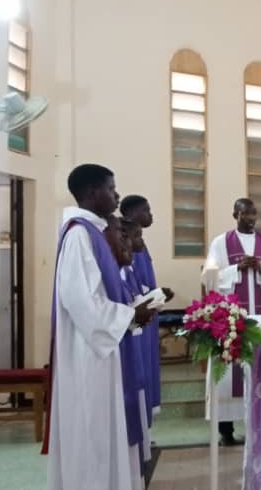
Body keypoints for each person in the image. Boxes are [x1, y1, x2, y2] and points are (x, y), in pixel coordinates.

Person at [46, 164, 156, 490]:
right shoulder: (79, 234)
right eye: (111, 188)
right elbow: (81, 300)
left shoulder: (94, 231)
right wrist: (130, 317)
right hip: (87, 355)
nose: (116, 195)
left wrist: (128, 313)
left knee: (104, 429)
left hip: (101, 347)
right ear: (93, 192)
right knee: (91, 429)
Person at [201, 198, 261, 445]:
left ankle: (260, 425)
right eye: (245, 214)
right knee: (228, 373)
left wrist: (260, 268)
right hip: (230, 317)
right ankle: (226, 430)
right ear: (235, 214)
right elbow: (209, 276)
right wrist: (237, 268)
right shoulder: (220, 243)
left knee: (260, 366)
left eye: (253, 213)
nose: (251, 218)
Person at [106, 216, 154, 468]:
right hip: (117, 351)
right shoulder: (115, 272)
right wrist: (135, 313)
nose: (135, 243)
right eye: (127, 237)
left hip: (130, 339)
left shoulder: (124, 269)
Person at [120, 195, 173, 421]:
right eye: (147, 210)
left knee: (148, 369)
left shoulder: (139, 242)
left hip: (147, 313)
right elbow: (134, 287)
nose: (151, 215)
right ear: (132, 214)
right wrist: (154, 296)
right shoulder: (128, 244)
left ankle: (144, 426)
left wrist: (158, 294)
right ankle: (140, 424)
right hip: (138, 316)